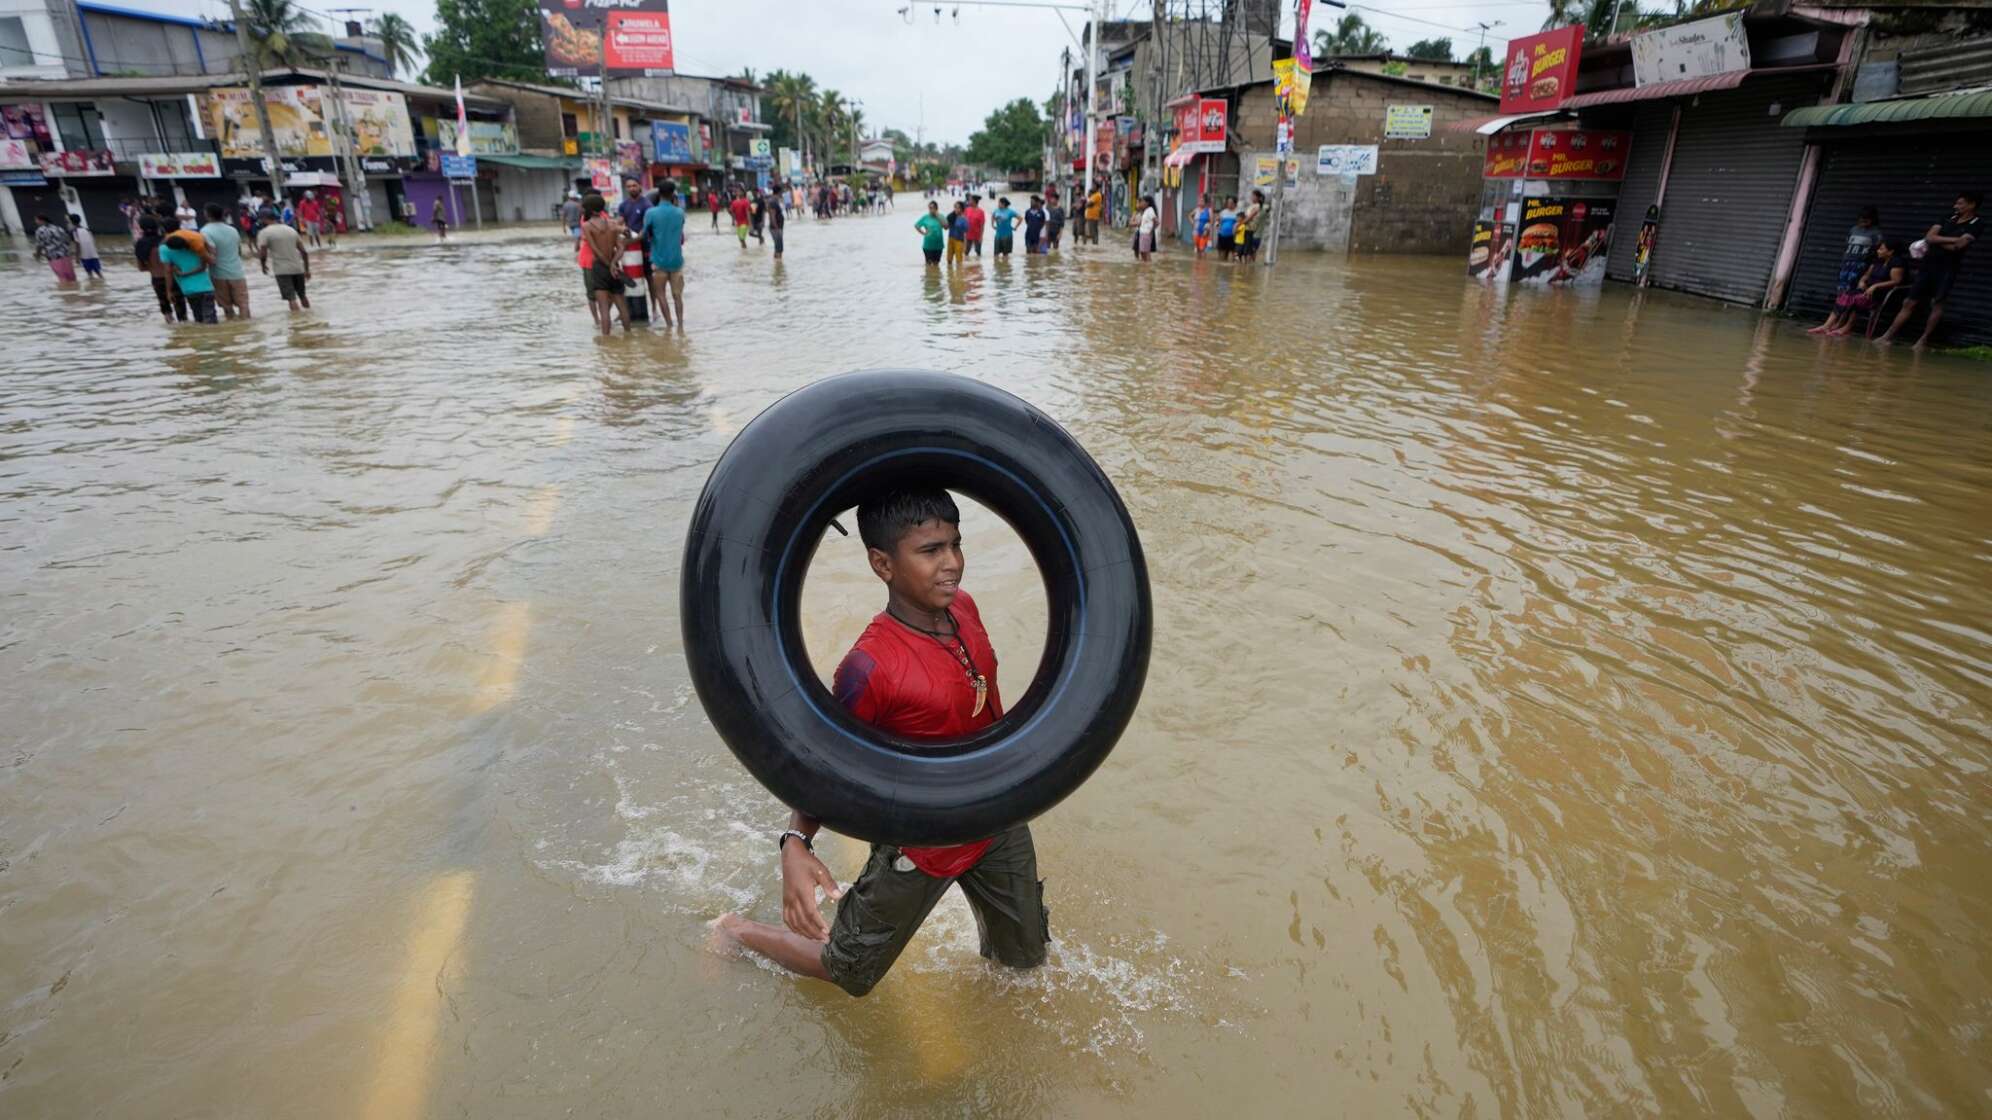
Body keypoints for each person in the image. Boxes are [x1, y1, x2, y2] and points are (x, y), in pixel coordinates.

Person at [709, 487, 1050, 999]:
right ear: (882, 563)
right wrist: (796, 842)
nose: (952, 564)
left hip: (994, 819)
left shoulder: (967, 608)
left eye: (956, 544)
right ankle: (736, 929)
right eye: (931, 551)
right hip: (921, 840)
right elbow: (822, 762)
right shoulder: (870, 668)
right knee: (849, 971)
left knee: (1023, 964)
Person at [1878, 191, 1980, 348]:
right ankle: (1887, 336)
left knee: (1937, 303)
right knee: (1909, 302)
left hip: (1947, 269)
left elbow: (1959, 246)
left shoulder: (1977, 223)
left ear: (1972, 204)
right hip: (1927, 266)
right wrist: (1951, 240)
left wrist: (1939, 241)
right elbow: (1929, 237)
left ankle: (1922, 340)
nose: (1956, 206)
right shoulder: (1948, 217)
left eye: (1960, 203)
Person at [1810, 239, 1905, 337]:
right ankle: (1827, 326)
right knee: (1845, 296)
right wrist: (1862, 281)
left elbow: (1896, 281)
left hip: (1879, 294)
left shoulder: (1897, 263)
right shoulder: (1878, 261)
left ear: (1891, 251)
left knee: (1856, 299)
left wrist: (1875, 286)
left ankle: (1847, 327)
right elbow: (1866, 275)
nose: (1878, 251)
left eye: (1881, 249)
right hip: (1865, 290)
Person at [580, 193, 630, 335]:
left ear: (590, 209)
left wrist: (609, 265)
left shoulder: (587, 226)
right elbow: (621, 248)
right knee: (622, 305)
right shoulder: (613, 224)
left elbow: (596, 251)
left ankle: (606, 343)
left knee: (603, 308)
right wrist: (614, 263)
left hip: (600, 268)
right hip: (614, 267)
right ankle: (629, 336)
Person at [641, 180, 688, 327]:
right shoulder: (680, 213)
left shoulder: (650, 213)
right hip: (676, 261)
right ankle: (680, 325)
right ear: (673, 194)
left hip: (658, 262)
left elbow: (643, 235)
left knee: (661, 295)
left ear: (659, 193)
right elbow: (680, 234)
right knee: (678, 296)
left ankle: (669, 325)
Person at [200, 203, 250, 320]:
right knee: (243, 304)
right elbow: (239, 252)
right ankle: (247, 327)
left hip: (218, 274)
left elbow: (212, 254)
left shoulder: (205, 231)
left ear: (207, 215)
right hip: (237, 273)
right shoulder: (233, 230)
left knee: (227, 307)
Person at [134, 216, 187, 324]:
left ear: (141, 228)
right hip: (174, 278)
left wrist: (153, 268)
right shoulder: (166, 240)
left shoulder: (140, 244)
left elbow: (141, 268)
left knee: (166, 309)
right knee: (181, 309)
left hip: (157, 279)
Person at [256, 212, 311, 311]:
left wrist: (263, 266)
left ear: (265, 219)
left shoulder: (264, 232)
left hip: (282, 270)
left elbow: (263, 253)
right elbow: (304, 252)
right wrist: (307, 270)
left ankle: (297, 322)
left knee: (291, 299)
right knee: (303, 296)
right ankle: (309, 316)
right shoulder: (291, 230)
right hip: (298, 268)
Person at [159, 230, 217, 323]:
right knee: (211, 321)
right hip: (206, 288)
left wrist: (169, 291)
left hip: (189, 290)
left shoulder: (197, 245)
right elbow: (204, 266)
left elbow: (168, 271)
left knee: (199, 321)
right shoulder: (195, 247)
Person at [31, 213, 77, 286]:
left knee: (62, 277)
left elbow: (39, 245)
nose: (36, 222)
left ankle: (67, 294)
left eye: (36, 220)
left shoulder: (40, 231)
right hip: (66, 255)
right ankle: (75, 291)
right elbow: (67, 240)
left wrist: (37, 255)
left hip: (54, 256)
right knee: (71, 276)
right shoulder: (58, 228)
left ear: (41, 220)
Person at [68, 215, 103, 281]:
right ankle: (101, 283)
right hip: (94, 254)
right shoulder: (87, 230)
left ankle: (92, 285)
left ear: (71, 222)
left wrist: (77, 257)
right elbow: (93, 241)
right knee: (98, 272)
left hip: (85, 256)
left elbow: (77, 244)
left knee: (89, 273)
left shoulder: (73, 231)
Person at [915, 200, 946, 267]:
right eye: (930, 208)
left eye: (932, 208)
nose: (931, 210)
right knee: (929, 264)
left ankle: (935, 276)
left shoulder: (941, 216)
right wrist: (923, 233)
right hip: (928, 245)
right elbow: (917, 225)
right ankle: (929, 276)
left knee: (936, 264)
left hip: (939, 245)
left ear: (936, 208)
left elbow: (946, 227)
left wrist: (938, 216)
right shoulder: (925, 217)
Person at [1241, 190, 1266, 261]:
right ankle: (1250, 269)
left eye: (1253, 196)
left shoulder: (1257, 207)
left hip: (1252, 231)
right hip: (1248, 230)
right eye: (1252, 196)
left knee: (1250, 251)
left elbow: (1249, 218)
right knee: (1249, 251)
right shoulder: (1251, 206)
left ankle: (1249, 268)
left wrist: (1239, 224)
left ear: (1258, 197)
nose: (1252, 197)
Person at [946, 201, 969, 267]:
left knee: (959, 260)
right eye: (955, 207)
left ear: (962, 209)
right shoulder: (951, 217)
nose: (956, 209)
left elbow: (965, 232)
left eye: (958, 208)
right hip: (950, 239)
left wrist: (965, 245)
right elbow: (946, 226)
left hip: (959, 241)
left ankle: (959, 274)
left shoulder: (964, 219)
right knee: (949, 259)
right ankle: (950, 273)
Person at [1135, 195, 1158, 262]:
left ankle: (1147, 269)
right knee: (1142, 252)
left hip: (1146, 234)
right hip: (1143, 234)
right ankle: (1144, 269)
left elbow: (1157, 222)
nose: (1141, 203)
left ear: (1147, 203)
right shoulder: (1146, 211)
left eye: (1143, 201)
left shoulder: (1150, 210)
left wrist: (1150, 231)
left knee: (1146, 253)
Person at [766, 186, 786, 260]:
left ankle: (777, 265)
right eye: (781, 192)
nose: (782, 194)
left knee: (777, 247)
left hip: (777, 227)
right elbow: (772, 216)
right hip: (776, 228)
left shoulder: (774, 201)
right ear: (779, 192)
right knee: (779, 248)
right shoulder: (773, 201)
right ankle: (778, 265)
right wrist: (776, 227)